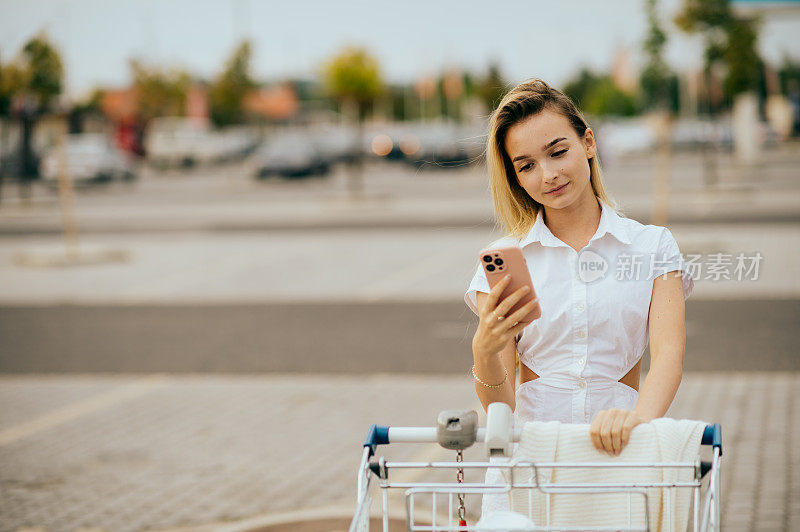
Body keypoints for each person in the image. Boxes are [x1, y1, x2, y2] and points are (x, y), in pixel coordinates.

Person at [464, 79, 694, 515]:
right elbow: (501, 407)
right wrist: (484, 350)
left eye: (558, 151)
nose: (548, 175)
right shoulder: (505, 264)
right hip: (529, 463)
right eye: (526, 165)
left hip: (621, 453)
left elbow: (668, 355)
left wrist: (637, 422)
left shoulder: (652, 247)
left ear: (587, 142)